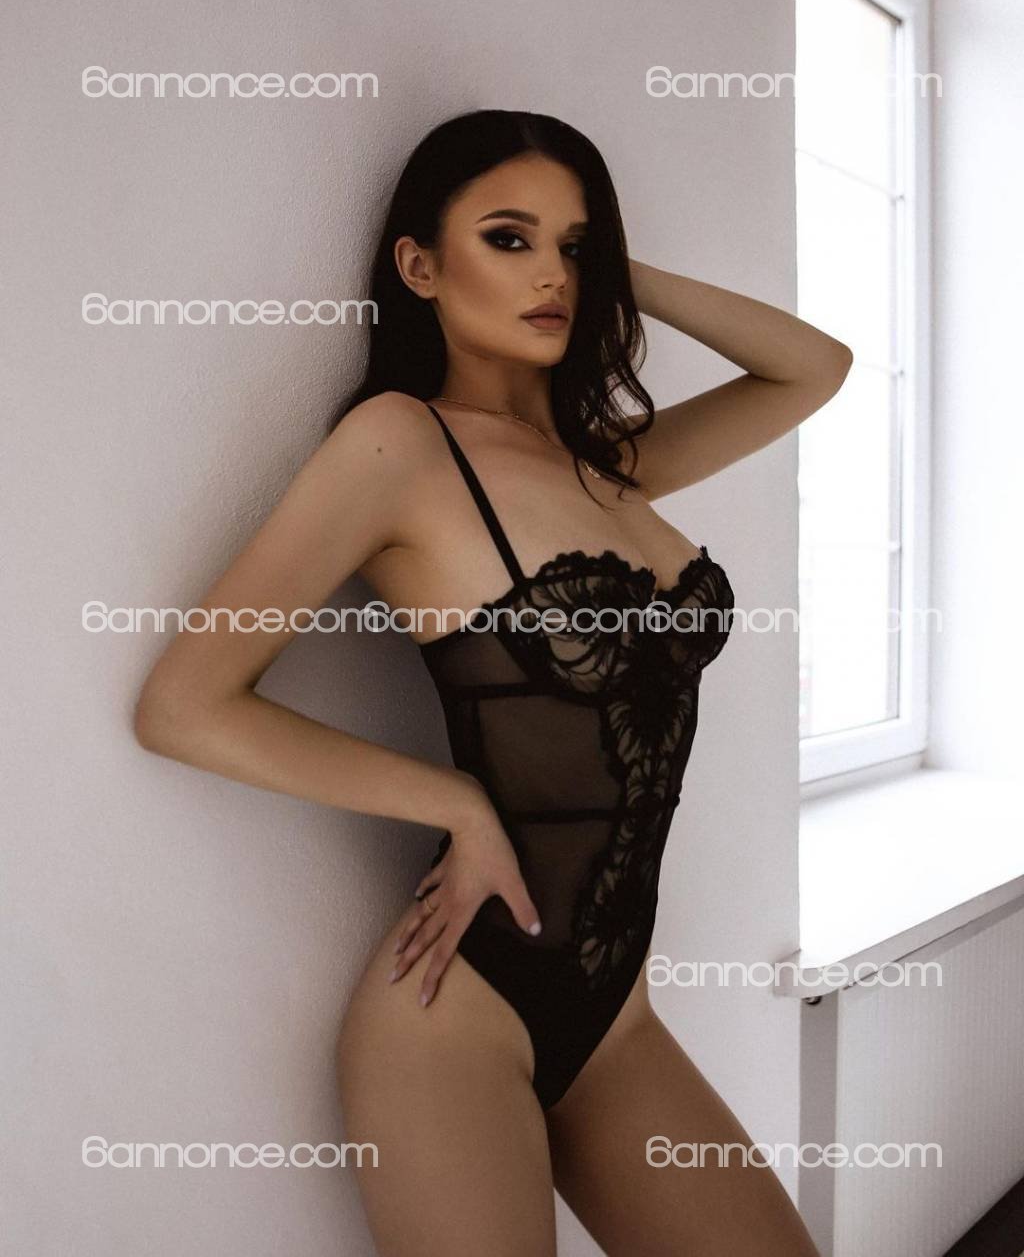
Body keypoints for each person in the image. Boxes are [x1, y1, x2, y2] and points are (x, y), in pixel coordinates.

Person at [135, 109, 849, 1255]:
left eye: (575, 246)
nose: (552, 275)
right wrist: (454, 802)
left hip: (616, 1021)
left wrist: (620, 269)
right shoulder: (399, 446)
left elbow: (813, 367)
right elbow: (182, 704)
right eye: (508, 239)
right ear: (420, 266)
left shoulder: (608, 463)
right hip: (454, 1012)